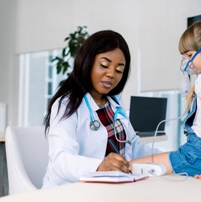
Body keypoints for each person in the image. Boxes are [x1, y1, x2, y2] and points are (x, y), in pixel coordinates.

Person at [42, 30, 160, 188]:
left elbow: (134, 146)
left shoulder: (114, 103)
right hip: (70, 190)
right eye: (104, 65)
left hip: (109, 188)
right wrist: (99, 167)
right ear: (88, 62)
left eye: (119, 70)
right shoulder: (66, 104)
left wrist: (172, 157)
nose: (112, 74)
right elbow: (61, 159)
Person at [130, 15, 201, 181]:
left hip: (199, 156)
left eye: (189, 55)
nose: (186, 62)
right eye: (184, 57)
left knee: (130, 166)